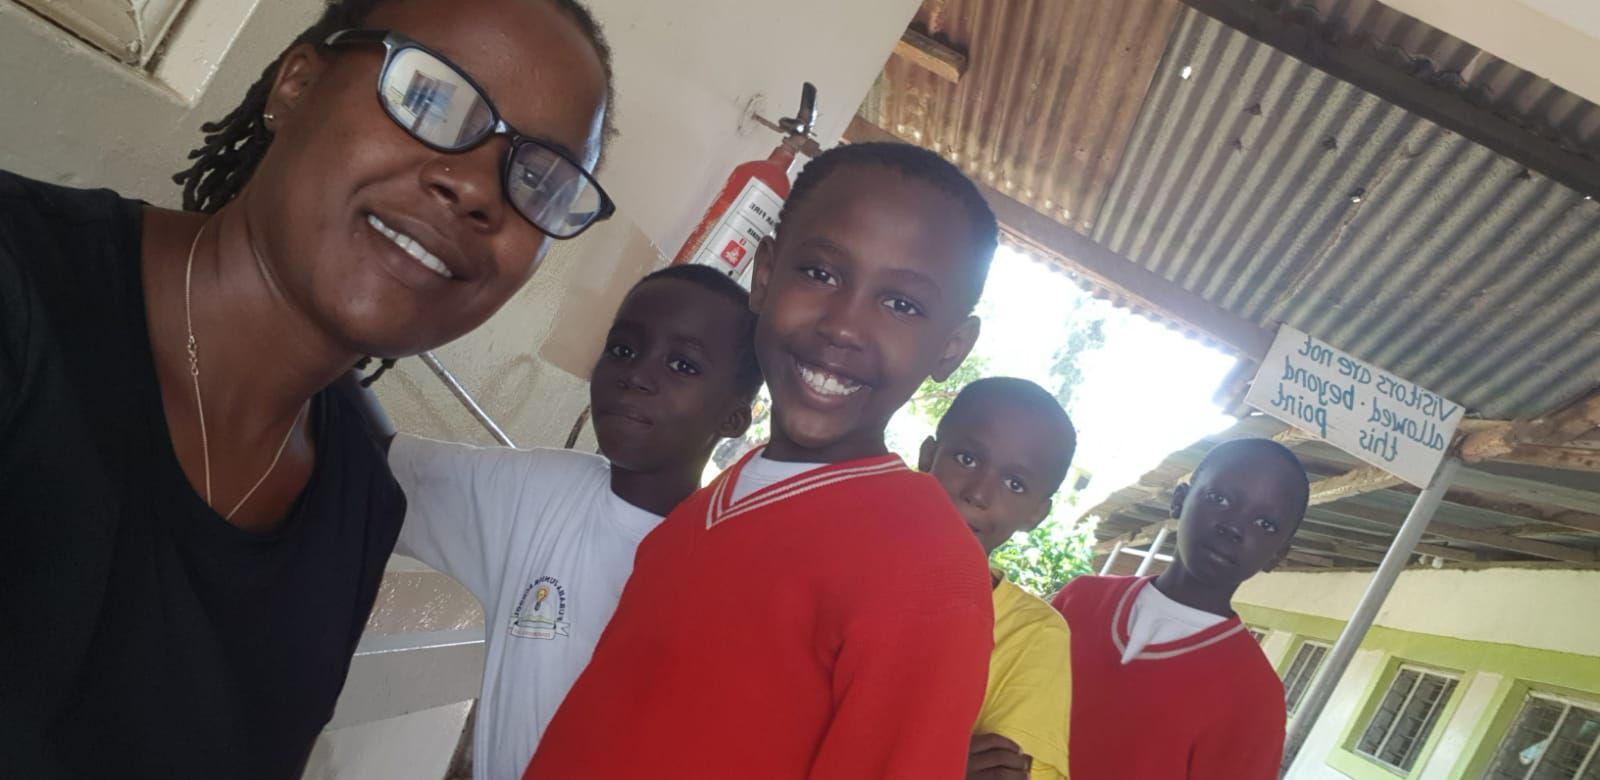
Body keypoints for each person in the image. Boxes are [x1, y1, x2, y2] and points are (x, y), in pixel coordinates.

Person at [0, 0, 615, 775]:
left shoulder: (360, 495)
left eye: (540, 179)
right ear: (295, 84)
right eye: (431, 98)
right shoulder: (21, 289)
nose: (476, 189)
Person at [527, 142, 1000, 778]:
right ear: (765, 274)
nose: (844, 325)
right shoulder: (713, 505)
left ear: (951, 347)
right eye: (821, 273)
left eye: (902, 305)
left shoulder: (929, 566)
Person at [367, 264, 760, 780]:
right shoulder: (540, 492)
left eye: (682, 365)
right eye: (623, 349)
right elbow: (374, 464)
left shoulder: (728, 582)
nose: (637, 374)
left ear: (733, 417)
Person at [1051, 438, 1310, 779]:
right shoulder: (1081, 599)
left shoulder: (1255, 696)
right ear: (1179, 501)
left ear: (1278, 554)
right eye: (1220, 498)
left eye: (1265, 524)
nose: (1233, 527)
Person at [918, 377, 1076, 780]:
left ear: (1036, 514)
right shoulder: (845, 563)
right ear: (928, 455)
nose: (978, 493)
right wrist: (938, 764)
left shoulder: (1032, 634)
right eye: (967, 458)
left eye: (1014, 484)